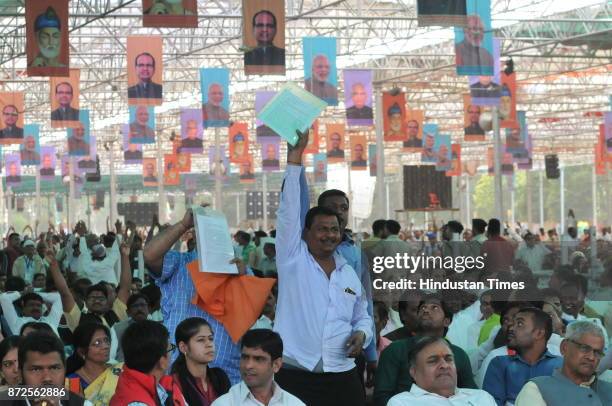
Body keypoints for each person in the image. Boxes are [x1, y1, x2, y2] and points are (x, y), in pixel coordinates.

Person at [274, 130, 373, 406]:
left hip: (342, 375)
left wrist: (362, 334)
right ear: (305, 233)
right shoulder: (293, 259)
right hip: (296, 377)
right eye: (321, 229)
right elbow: (289, 211)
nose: (329, 235)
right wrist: (295, 156)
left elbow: (362, 315)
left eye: (334, 229)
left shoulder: (348, 272)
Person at [143, 207, 242, 383]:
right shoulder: (180, 262)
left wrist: (242, 279)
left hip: (226, 380)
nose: (211, 236)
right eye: (204, 229)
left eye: (216, 230)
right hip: (178, 379)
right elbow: (150, 255)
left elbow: (258, 310)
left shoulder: (238, 269)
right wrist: (183, 225)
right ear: (195, 236)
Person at [373, 294, 477, 406]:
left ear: (446, 321)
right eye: (422, 307)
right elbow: (381, 397)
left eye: (434, 307)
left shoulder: (458, 354)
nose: (426, 310)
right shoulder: (395, 350)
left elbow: (471, 395)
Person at [515, 320, 612, 405]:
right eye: (584, 348)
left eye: (597, 352)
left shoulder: (608, 390)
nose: (591, 357)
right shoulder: (536, 389)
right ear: (564, 347)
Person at [482, 307, 562, 406]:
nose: (511, 328)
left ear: (539, 333)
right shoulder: (500, 364)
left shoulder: (561, 366)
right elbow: (492, 403)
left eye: (519, 324)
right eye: (512, 324)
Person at [387, 336, 496, 406]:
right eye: (433, 361)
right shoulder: (402, 402)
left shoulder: (482, 398)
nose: (444, 365)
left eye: (448, 359)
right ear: (414, 372)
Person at [212, 329, 304, 406]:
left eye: (258, 359)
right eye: (245, 357)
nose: (248, 365)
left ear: (276, 365)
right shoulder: (224, 403)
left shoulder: (294, 404)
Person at [110, 320, 187, 405]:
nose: (171, 355)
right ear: (162, 362)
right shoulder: (136, 402)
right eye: (171, 349)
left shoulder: (165, 385)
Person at [171, 317, 231, 405]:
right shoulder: (175, 383)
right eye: (201, 340)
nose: (209, 344)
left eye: (210, 339)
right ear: (183, 347)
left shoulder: (220, 377)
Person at [65, 322, 121, 404]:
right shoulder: (72, 381)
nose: (106, 346)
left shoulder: (117, 370)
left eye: (106, 340)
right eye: (97, 343)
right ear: (82, 352)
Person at [112, 293, 150, 362]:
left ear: (148, 309)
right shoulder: (117, 328)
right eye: (135, 306)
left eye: (142, 305)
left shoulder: (156, 329)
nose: (139, 309)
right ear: (128, 312)